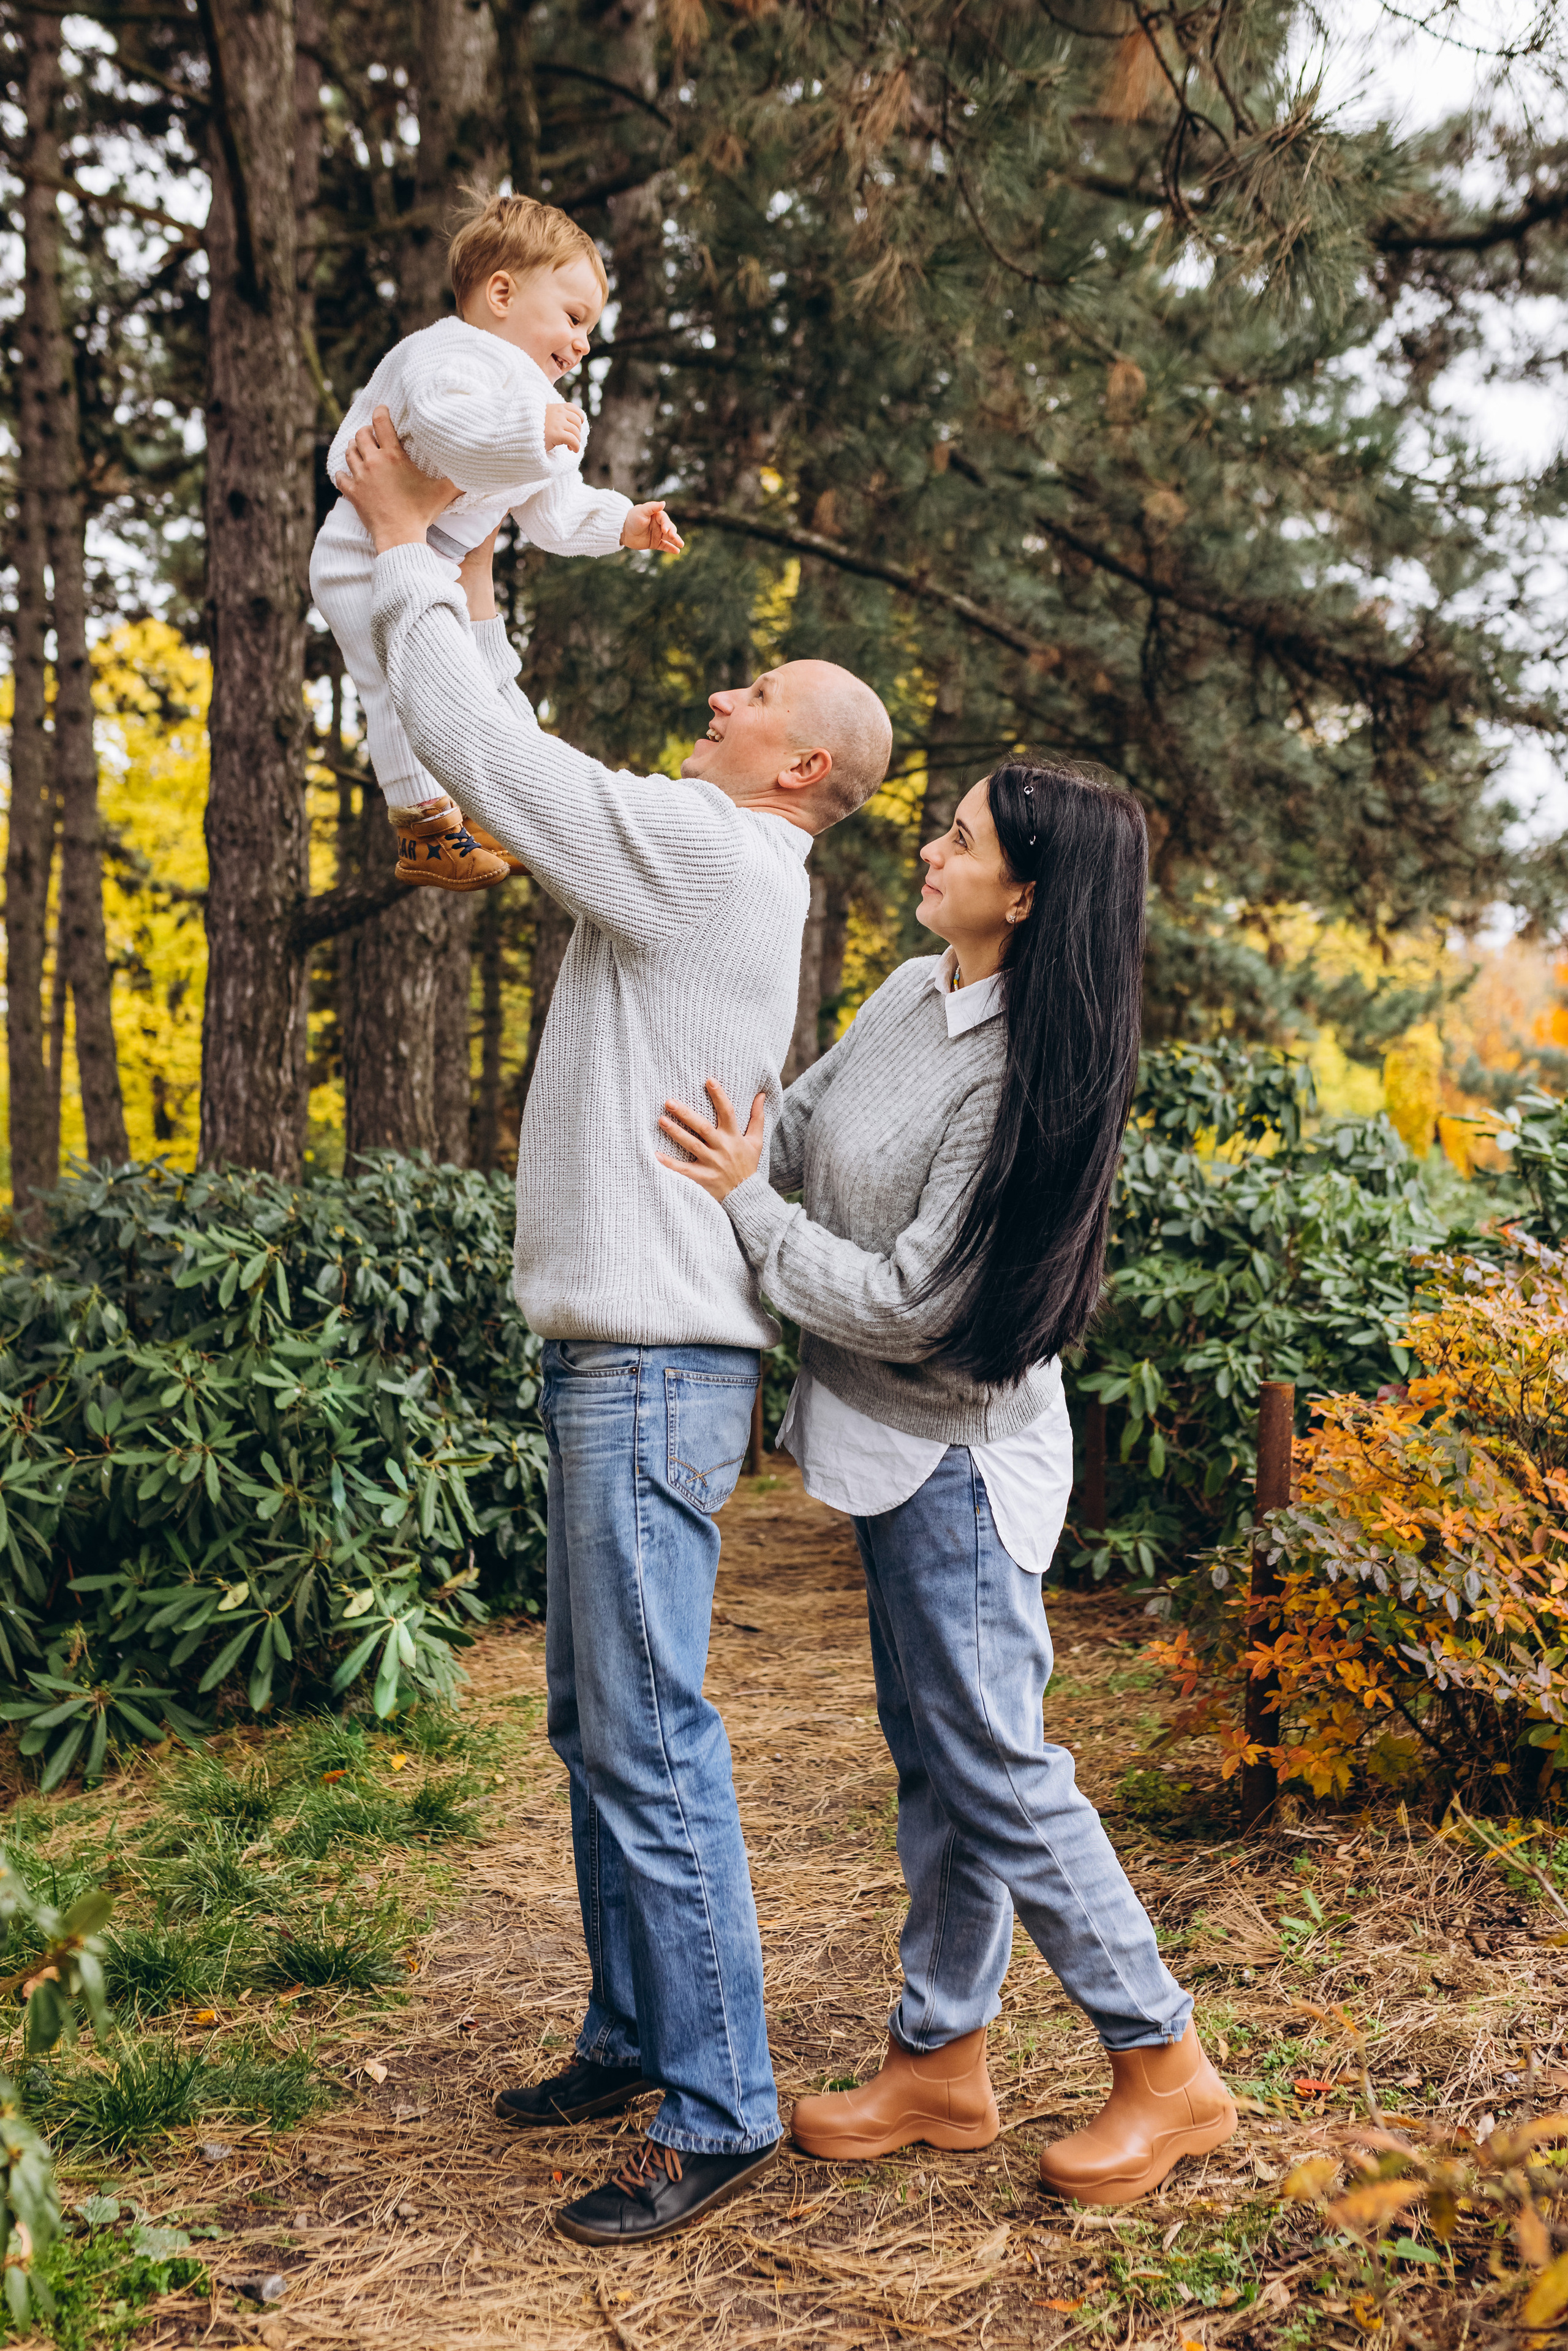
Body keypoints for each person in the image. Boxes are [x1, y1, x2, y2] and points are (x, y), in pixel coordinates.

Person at [334, 409, 894, 2247]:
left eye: (752, 688)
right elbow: (506, 759)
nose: (721, 691)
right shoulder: (703, 857)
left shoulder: (720, 856)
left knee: (650, 1732)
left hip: (654, 1363)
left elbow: (501, 760)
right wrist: (479, 576)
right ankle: (636, 2028)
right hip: (620, 1353)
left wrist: (406, 548)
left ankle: (718, 2101)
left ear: (796, 760)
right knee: (598, 1717)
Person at [657, 759, 1237, 2208]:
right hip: (881, 1442)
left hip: (958, 1460)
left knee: (994, 1764)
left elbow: (917, 1303)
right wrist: (716, 1116)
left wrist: (745, 1211)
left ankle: (1163, 2065)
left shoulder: (1019, 1077)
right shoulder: (909, 997)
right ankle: (941, 2060)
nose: (929, 845)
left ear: (1026, 893)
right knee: (940, 1761)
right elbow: (795, 1139)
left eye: (959, 836)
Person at [312, 190, 682, 892]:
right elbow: (444, 426)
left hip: (432, 559)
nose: (582, 342)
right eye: (573, 318)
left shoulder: (529, 398)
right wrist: (528, 432)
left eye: (591, 330)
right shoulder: (450, 354)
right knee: (398, 687)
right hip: (362, 556)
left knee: (475, 684)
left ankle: (484, 808)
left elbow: (555, 512)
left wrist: (624, 524)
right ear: (502, 293)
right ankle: (423, 825)